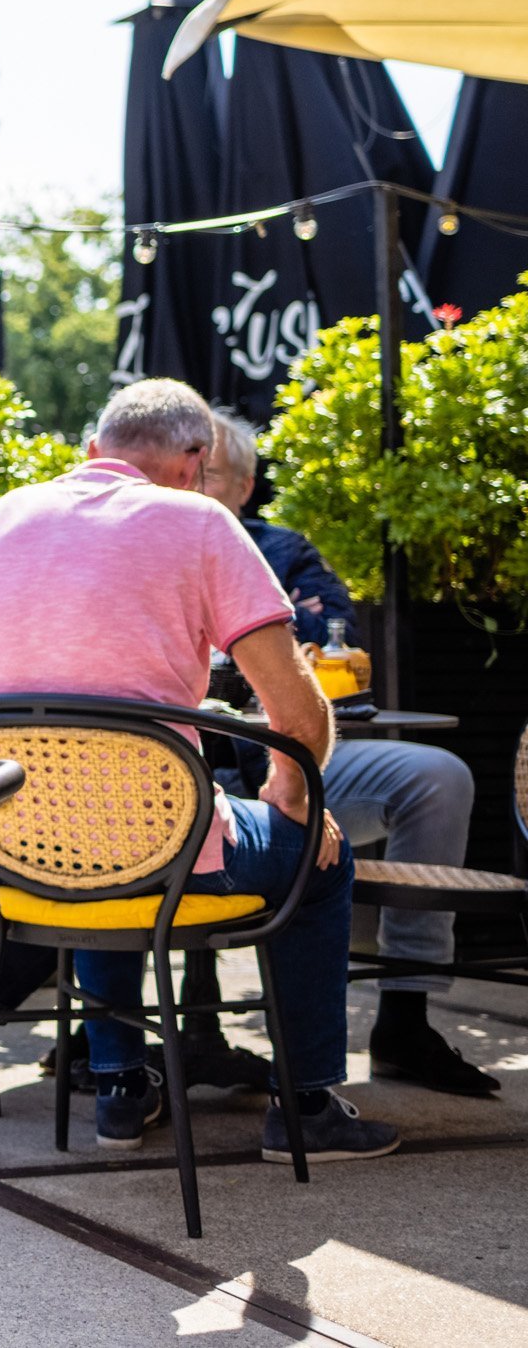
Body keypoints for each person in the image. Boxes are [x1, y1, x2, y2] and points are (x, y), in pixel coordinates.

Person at [0, 378, 399, 1161]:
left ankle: (121, 1087)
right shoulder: (199, 522)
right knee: (318, 855)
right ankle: (304, 1103)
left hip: (13, 848)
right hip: (157, 841)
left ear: (94, 451)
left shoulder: (2, 516)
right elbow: (300, 718)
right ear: (197, 460)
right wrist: (292, 795)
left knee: (100, 836)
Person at [200, 408, 493, 1095]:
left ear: (244, 487)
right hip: (187, 766)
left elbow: (333, 638)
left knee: (438, 775)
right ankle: (129, 1042)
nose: (188, 481)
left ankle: (405, 1016)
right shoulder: (140, 541)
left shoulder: (283, 550)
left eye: (206, 472)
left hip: (288, 753)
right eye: (182, 466)